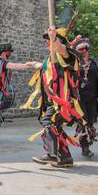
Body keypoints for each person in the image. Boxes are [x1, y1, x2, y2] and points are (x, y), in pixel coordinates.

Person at [24, 23, 83, 168]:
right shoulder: (50, 61)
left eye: (48, 40)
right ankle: (66, 158)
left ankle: (52, 155)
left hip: (63, 102)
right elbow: (43, 66)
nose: (47, 43)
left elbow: (61, 49)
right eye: (47, 41)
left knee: (48, 122)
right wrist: (32, 64)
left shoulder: (68, 56)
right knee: (56, 127)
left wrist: (54, 39)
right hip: (54, 101)